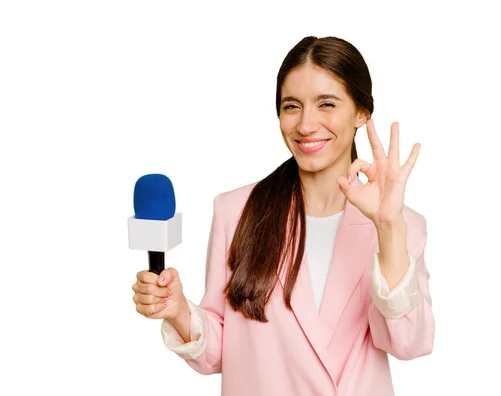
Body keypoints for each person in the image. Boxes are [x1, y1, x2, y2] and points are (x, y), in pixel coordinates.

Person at [131, 35, 435, 396]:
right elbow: (218, 353)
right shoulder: (236, 211)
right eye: (292, 106)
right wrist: (179, 310)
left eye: (326, 104)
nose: (306, 125)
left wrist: (388, 227)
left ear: (361, 112)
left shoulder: (402, 226)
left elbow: (409, 344)